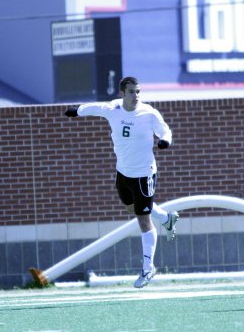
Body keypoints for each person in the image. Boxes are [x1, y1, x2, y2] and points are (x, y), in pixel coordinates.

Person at [64, 75, 179, 288]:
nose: (136, 96)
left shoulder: (148, 112)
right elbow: (95, 107)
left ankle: (148, 268)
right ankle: (165, 218)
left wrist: (165, 141)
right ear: (122, 93)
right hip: (123, 173)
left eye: (138, 91)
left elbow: (165, 129)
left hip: (144, 174)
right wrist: (77, 111)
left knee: (142, 219)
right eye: (132, 92)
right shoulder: (113, 109)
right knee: (131, 208)